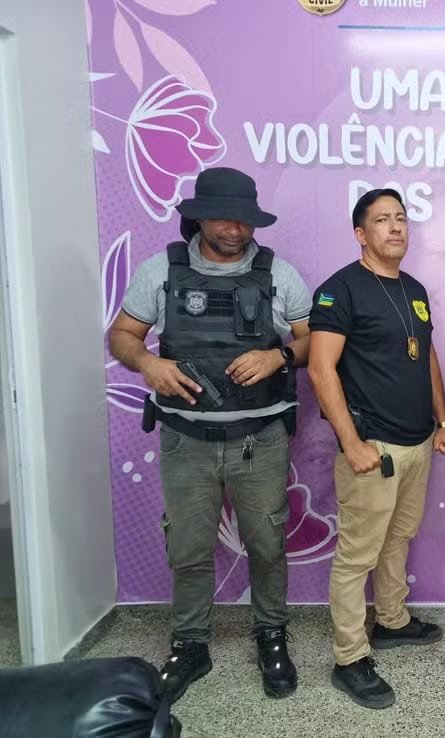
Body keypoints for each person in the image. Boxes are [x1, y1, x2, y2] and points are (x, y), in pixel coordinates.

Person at [108, 167, 311, 701]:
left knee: (267, 543)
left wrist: (278, 356)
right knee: (189, 547)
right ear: (198, 217)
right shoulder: (162, 270)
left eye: (244, 220)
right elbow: (122, 334)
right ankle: (190, 644)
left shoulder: (278, 274)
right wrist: (148, 364)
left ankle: (271, 635)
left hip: (259, 437)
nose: (236, 230)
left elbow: (313, 340)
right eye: (223, 218)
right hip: (186, 439)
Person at [308, 188, 445, 710]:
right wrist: (350, 442)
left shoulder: (414, 289)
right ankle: (349, 657)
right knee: (356, 557)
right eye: (382, 220)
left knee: (399, 538)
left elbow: (426, 356)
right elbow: (320, 369)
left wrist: (442, 421)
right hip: (373, 448)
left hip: (419, 441)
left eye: (401, 218)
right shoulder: (339, 290)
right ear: (360, 233)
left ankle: (391, 620)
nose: (395, 227)